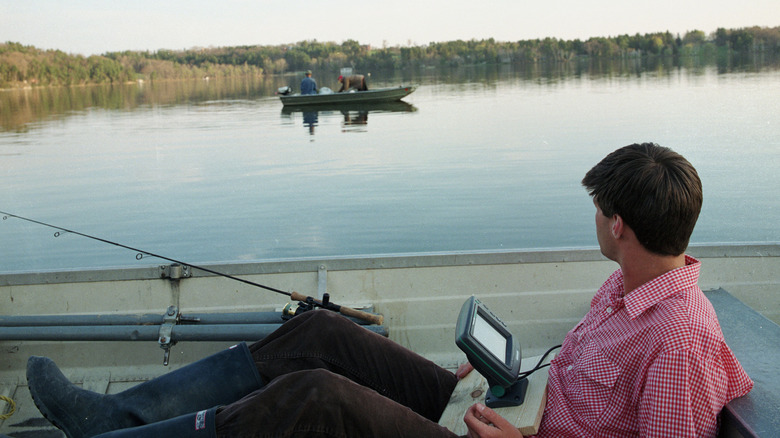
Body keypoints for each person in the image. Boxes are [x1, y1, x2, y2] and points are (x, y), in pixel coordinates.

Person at [26, 143, 752, 438]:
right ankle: (114, 418)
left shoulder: (677, 336)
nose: (593, 218)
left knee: (314, 393)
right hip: (509, 429)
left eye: (598, 209)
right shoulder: (629, 284)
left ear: (619, 224)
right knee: (317, 333)